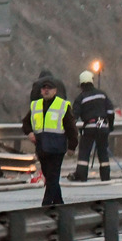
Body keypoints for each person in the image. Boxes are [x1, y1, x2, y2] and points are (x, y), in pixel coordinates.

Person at [21, 78, 79, 206]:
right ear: (41, 91)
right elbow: (26, 122)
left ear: (55, 91)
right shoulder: (35, 105)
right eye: (44, 88)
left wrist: (72, 146)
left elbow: (71, 127)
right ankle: (59, 203)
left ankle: (45, 205)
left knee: (52, 177)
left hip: (57, 148)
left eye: (49, 88)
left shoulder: (62, 105)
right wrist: (29, 133)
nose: (46, 90)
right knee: (50, 177)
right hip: (42, 148)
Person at [71, 70, 116, 182]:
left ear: (81, 85)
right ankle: (105, 177)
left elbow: (74, 116)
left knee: (84, 152)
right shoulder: (102, 94)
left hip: (89, 125)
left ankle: (81, 176)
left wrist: (70, 130)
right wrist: (110, 126)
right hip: (101, 124)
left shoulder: (81, 98)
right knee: (103, 152)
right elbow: (110, 111)